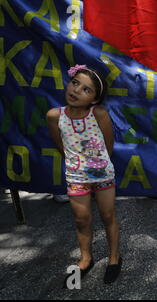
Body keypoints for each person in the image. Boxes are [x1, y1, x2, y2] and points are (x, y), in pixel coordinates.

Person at [46, 64, 122, 286]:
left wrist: (97, 166)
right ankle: (85, 259)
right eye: (75, 83)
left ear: (95, 100)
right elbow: (61, 146)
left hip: (103, 177)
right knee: (81, 219)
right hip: (76, 178)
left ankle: (114, 258)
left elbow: (108, 146)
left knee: (108, 216)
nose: (77, 90)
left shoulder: (98, 114)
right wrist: (77, 165)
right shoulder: (54, 116)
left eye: (86, 89)